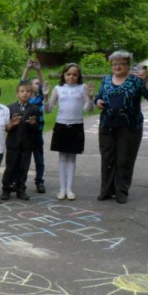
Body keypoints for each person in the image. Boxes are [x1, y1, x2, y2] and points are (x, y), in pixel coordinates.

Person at [94, 50, 148, 204]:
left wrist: (147, 80)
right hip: (107, 126)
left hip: (130, 127)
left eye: (121, 64)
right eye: (114, 64)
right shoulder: (106, 80)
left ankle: (121, 191)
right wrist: (97, 102)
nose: (117, 67)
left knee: (124, 159)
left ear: (128, 65)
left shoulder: (136, 80)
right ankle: (106, 191)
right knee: (107, 159)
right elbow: (98, 97)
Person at [44, 63, 94, 201]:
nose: (71, 77)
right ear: (63, 75)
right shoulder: (58, 89)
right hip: (61, 125)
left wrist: (90, 98)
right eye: (68, 74)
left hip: (76, 126)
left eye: (75, 74)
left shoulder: (81, 88)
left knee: (72, 159)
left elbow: (88, 109)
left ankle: (69, 189)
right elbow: (48, 110)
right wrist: (45, 97)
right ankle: (61, 189)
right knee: (62, 158)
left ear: (78, 76)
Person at [1, 81, 41, 201]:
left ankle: (21, 189)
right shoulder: (10, 108)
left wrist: (33, 124)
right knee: (10, 167)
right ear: (17, 94)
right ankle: (6, 189)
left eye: (28, 92)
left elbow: (37, 127)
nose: (25, 94)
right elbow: (5, 127)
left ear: (31, 94)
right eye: (22, 91)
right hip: (13, 143)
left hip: (27, 144)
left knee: (24, 168)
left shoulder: (34, 109)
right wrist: (12, 124)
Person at [22, 59, 49, 193]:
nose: (38, 84)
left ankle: (39, 181)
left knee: (39, 159)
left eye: (37, 83)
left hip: (37, 133)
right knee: (24, 160)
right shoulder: (25, 98)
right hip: (25, 133)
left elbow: (43, 85)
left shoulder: (39, 98)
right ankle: (20, 182)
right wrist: (27, 69)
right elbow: (22, 83)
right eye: (35, 83)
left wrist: (39, 70)